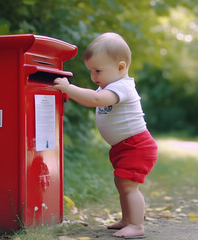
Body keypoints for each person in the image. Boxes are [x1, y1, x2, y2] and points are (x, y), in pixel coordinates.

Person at [53, 32, 158, 239]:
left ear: (120, 67)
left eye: (98, 70)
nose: (94, 77)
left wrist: (68, 88)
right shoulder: (110, 85)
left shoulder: (122, 87)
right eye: (91, 71)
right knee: (122, 183)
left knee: (129, 186)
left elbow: (95, 100)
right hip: (124, 146)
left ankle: (136, 225)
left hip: (137, 145)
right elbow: (93, 97)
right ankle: (127, 219)